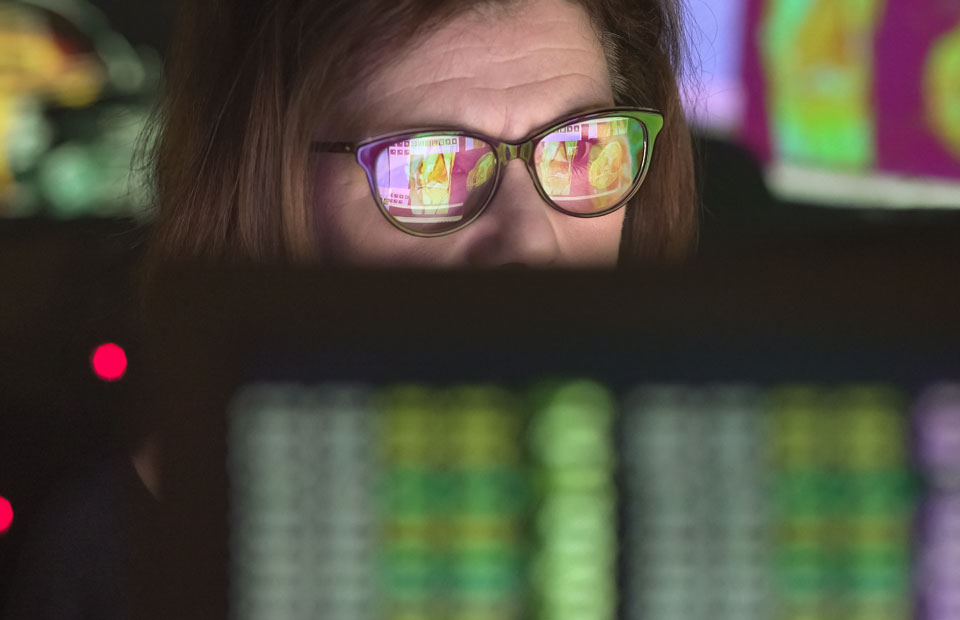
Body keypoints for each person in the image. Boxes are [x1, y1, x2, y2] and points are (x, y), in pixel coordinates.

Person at [5, 0, 696, 617]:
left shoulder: (723, 482)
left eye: (581, 147)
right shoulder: (123, 566)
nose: (529, 242)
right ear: (271, 186)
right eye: (428, 167)